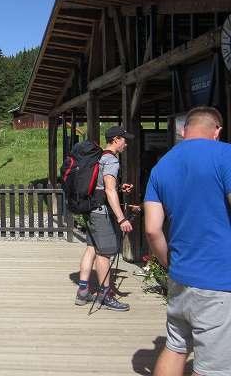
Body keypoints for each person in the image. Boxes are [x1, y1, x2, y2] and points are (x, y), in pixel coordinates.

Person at [144, 106, 231, 376]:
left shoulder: (162, 166)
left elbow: (152, 230)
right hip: (219, 279)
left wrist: (169, 264)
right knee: (213, 369)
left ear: (183, 130)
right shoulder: (226, 155)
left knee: (176, 346)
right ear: (217, 131)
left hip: (180, 276)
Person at [75, 126, 134, 311]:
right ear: (116, 139)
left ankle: (83, 292)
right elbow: (108, 190)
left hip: (90, 209)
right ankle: (105, 296)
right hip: (101, 213)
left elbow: (101, 185)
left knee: (91, 248)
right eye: (124, 140)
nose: (126, 144)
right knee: (104, 254)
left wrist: (119, 187)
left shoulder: (99, 157)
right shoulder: (111, 160)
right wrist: (121, 218)